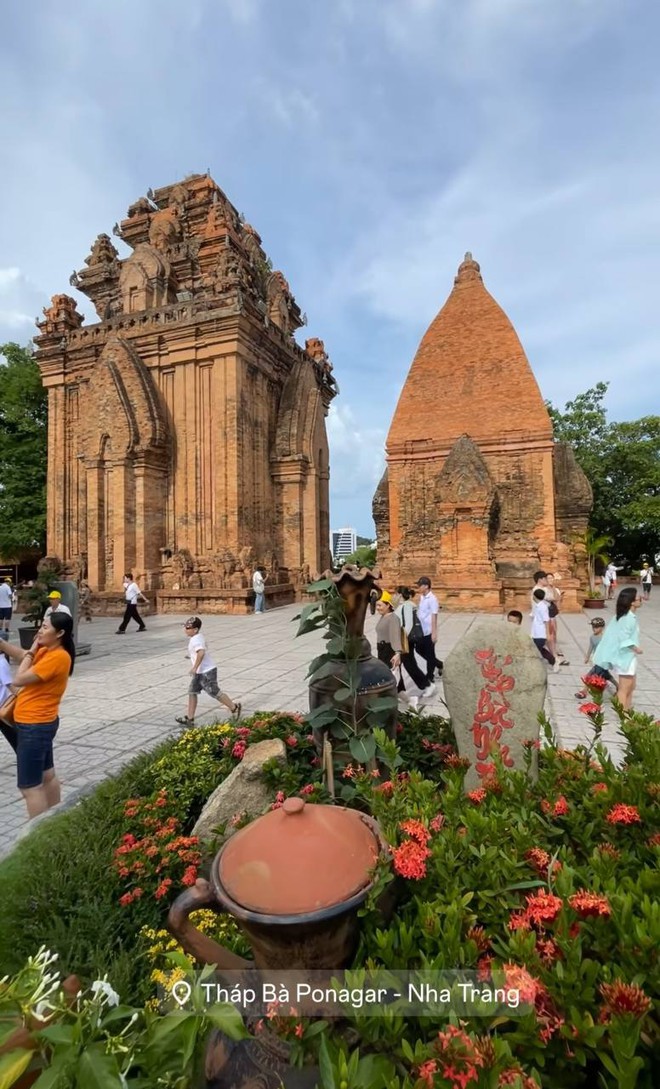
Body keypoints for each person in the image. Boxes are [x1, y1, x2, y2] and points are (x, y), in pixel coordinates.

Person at [0, 611, 75, 818]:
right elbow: (23, 656)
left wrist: (32, 651)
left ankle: (39, 833)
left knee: (30, 787)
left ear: (59, 633)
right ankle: (55, 822)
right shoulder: (49, 651)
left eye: (45, 627)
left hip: (34, 726)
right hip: (38, 724)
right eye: (41, 625)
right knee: (47, 775)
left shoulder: (58, 657)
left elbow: (19, 678)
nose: (40, 631)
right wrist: (4, 645)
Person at [175, 617, 241, 727]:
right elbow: (198, 652)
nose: (185, 630)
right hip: (200, 672)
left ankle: (234, 707)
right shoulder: (197, 637)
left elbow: (201, 653)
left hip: (206, 671)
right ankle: (190, 719)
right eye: (185, 627)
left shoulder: (196, 639)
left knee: (214, 692)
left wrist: (194, 667)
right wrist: (191, 656)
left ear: (195, 629)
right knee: (192, 692)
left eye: (188, 628)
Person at [593, 587, 643, 710]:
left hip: (628, 656)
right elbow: (623, 637)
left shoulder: (627, 616)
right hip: (624, 657)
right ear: (632, 602)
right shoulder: (627, 618)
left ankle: (627, 711)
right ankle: (622, 714)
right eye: (639, 598)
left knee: (631, 686)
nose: (641, 600)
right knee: (624, 688)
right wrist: (635, 648)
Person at [395, 587, 436, 710]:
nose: (394, 596)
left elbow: (408, 624)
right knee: (408, 663)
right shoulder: (405, 605)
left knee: (409, 664)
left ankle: (426, 685)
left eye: (395, 594)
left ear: (400, 595)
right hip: (405, 638)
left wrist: (402, 640)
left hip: (406, 639)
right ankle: (403, 690)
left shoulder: (407, 605)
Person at [574, 617, 618, 700]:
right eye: (593, 627)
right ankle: (619, 686)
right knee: (607, 675)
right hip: (598, 660)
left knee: (590, 675)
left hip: (603, 661)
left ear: (602, 628)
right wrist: (587, 656)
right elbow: (591, 647)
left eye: (596, 627)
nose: (594, 629)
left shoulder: (604, 638)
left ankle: (584, 691)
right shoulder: (592, 637)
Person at [415, 577, 443, 682]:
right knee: (418, 649)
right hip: (421, 630)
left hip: (429, 630)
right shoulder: (422, 597)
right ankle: (438, 664)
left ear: (426, 586)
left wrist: (434, 633)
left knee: (430, 653)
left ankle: (430, 676)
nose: (418, 587)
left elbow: (434, 616)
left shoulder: (432, 599)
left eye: (420, 585)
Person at [531, 588, 560, 672]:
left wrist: (547, 634)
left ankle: (553, 661)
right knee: (539, 650)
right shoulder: (538, 606)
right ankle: (552, 661)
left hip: (541, 633)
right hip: (536, 632)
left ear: (535, 596)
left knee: (538, 650)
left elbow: (546, 620)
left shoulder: (543, 607)